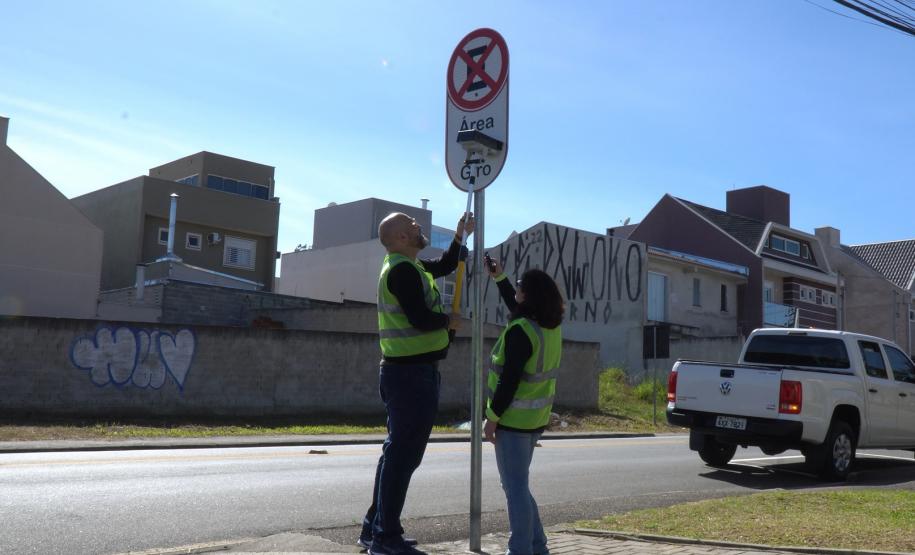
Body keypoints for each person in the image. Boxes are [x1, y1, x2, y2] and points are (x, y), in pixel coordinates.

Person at [359, 211, 474, 555]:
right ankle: (385, 537)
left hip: (409, 373)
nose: (418, 226)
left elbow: (445, 265)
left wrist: (459, 237)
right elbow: (420, 318)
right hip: (410, 376)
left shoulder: (413, 267)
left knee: (396, 456)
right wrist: (449, 321)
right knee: (402, 457)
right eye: (411, 224)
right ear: (399, 238)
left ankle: (376, 529)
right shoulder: (401, 271)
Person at [483, 260, 564, 555]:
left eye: (519, 286)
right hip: (533, 420)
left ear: (528, 295)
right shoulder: (547, 326)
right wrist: (500, 277)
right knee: (519, 486)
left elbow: (509, 381)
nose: (515, 289)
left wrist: (492, 418)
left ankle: (520, 550)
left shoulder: (521, 331)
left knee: (514, 489)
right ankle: (538, 546)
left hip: (512, 420)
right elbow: (515, 304)